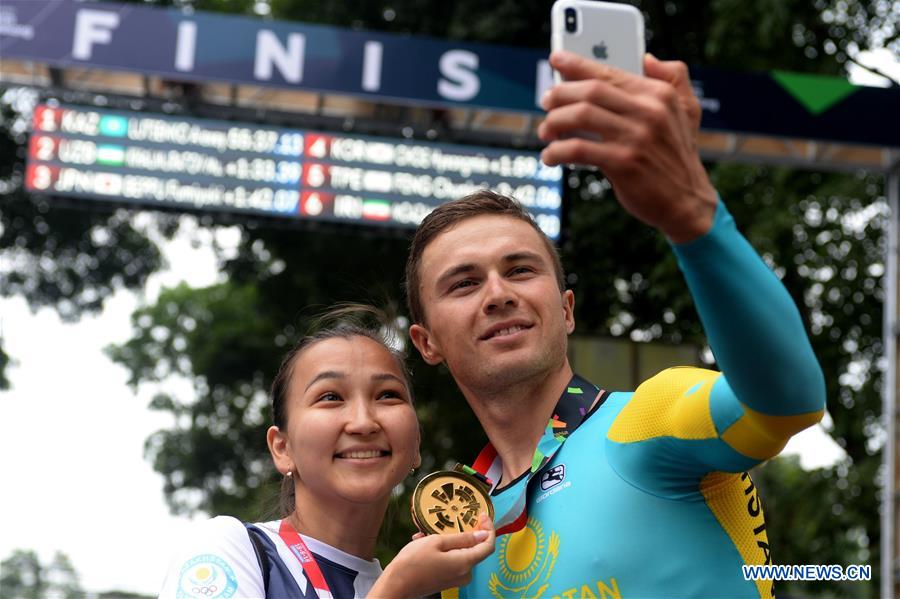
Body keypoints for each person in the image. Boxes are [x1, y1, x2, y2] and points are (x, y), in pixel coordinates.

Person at [404, 51, 826, 598]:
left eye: (521, 269)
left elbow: (787, 401)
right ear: (427, 342)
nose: (498, 294)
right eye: (463, 283)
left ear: (566, 308)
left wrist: (694, 219)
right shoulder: (457, 540)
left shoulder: (650, 423)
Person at [158, 307, 495, 599]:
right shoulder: (227, 550)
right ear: (282, 448)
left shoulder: (427, 588)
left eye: (388, 395)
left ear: (416, 445)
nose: (363, 422)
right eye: (331, 397)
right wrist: (395, 590)